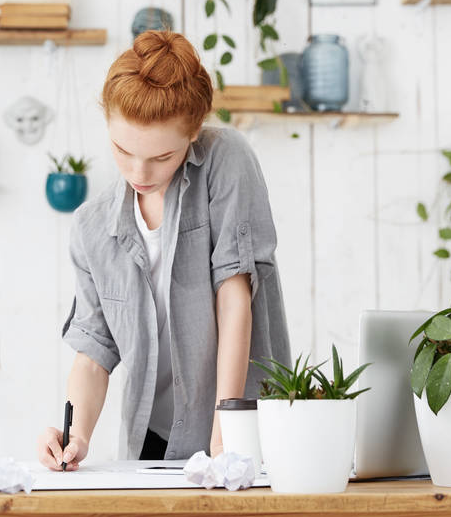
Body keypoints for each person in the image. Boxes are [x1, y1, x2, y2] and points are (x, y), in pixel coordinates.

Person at [36, 30, 291, 470]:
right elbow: (95, 349)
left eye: (162, 157)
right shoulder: (92, 227)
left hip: (244, 434)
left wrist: (224, 434)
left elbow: (235, 299)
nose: (139, 171)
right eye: (122, 149)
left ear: (193, 132)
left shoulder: (225, 159)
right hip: (152, 444)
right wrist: (75, 435)